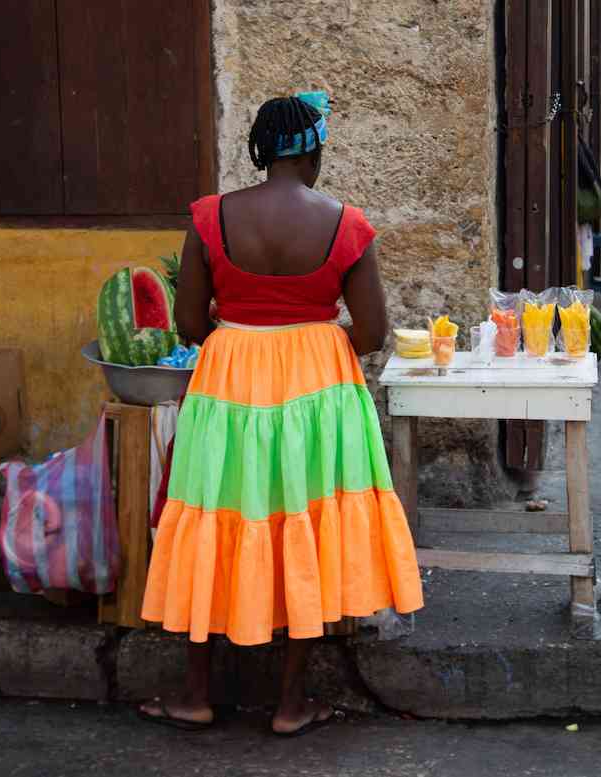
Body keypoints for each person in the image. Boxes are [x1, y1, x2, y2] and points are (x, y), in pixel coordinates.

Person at [138, 92, 423, 737]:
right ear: (315, 151)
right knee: (306, 518)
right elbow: (373, 332)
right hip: (318, 385)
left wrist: (247, 333)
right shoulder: (346, 224)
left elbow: (187, 322)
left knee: (216, 509)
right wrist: (309, 342)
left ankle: (195, 693)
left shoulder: (210, 218)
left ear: (261, 152)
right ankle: (291, 702)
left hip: (229, 378)